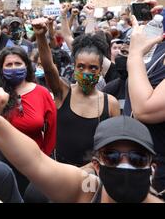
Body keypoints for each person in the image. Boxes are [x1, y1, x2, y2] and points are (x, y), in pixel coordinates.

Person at [0, 87, 163, 203]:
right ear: (96, 166)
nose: (124, 164)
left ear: (152, 168)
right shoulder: (86, 192)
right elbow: (36, 161)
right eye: (112, 157)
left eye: (137, 159)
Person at [0, 41, 56, 193]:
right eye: (9, 65)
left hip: (30, 160)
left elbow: (51, 132)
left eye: (18, 63)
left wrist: (44, 161)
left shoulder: (42, 93)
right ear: (1, 69)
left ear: (27, 66)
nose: (14, 68)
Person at [33, 17, 120, 167]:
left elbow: (114, 145)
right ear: (74, 67)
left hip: (92, 178)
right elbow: (48, 67)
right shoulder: (63, 92)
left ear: (100, 70)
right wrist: (41, 36)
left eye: (93, 68)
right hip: (59, 172)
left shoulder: (110, 103)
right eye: (81, 67)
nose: (86, 72)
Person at [126, 15, 165, 199]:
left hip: (159, 175)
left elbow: (145, 109)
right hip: (138, 160)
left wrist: (135, 53)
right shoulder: (161, 47)